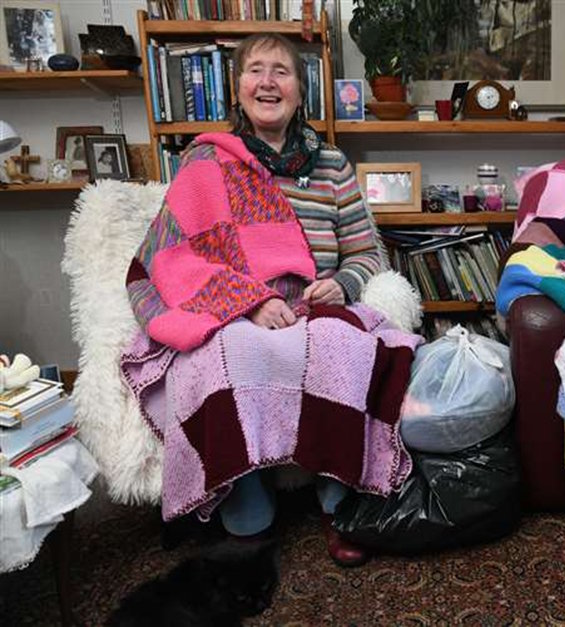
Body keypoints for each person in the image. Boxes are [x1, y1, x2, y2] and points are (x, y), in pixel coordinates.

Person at [120, 33, 411, 569]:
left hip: (312, 306)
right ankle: (249, 511)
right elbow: (172, 258)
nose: (268, 81)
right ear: (238, 88)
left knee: (338, 347)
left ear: (301, 90)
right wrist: (247, 302)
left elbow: (368, 253)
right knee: (227, 357)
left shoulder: (331, 165)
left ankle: (337, 500)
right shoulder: (207, 163)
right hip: (233, 310)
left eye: (282, 71)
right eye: (256, 70)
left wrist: (344, 283)